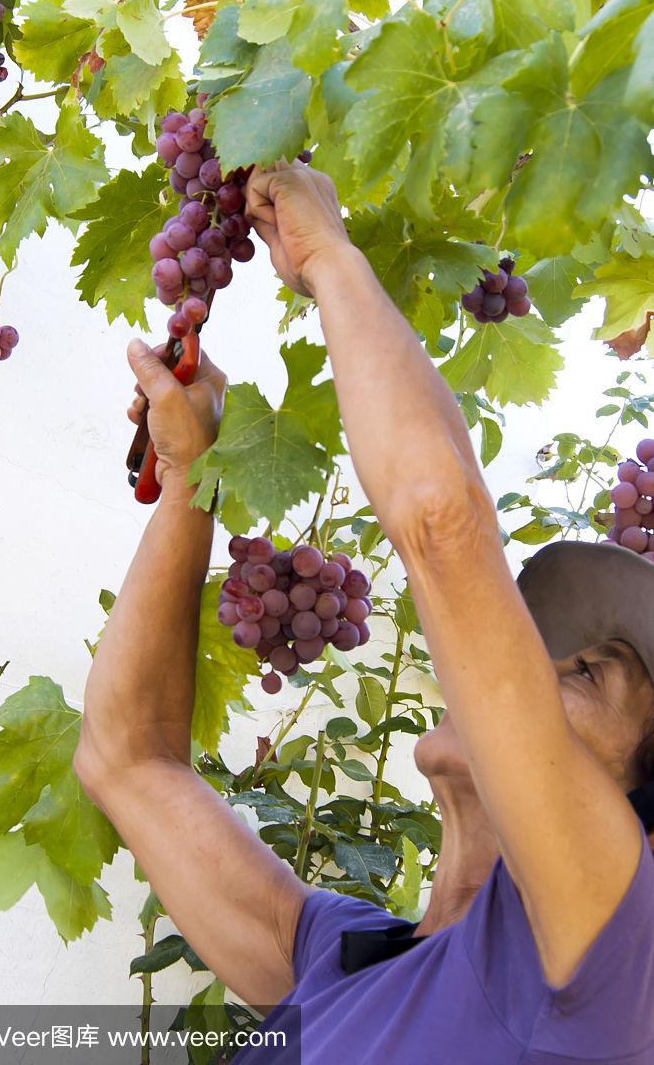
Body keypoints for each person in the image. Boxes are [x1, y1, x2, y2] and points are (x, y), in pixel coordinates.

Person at [74, 162, 654, 1063]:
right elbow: (127, 760)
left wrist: (327, 258)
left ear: (632, 812)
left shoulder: (610, 955)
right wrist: (189, 478)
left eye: (585, 672)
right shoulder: (336, 959)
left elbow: (444, 529)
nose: (524, 670)